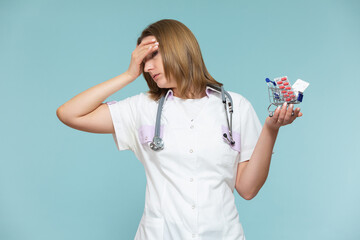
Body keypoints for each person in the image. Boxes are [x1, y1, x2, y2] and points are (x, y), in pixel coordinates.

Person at [56, 19, 302, 240]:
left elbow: (248, 189)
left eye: (152, 56)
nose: (146, 68)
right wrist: (128, 75)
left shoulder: (235, 107)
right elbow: (69, 113)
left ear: (178, 49)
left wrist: (271, 129)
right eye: (142, 61)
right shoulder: (142, 108)